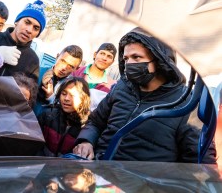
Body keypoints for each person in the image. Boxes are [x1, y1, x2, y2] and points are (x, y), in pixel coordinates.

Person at [73, 28, 217, 163]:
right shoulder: (120, 89)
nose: (129, 64)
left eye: (136, 57)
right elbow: (95, 122)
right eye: (126, 59)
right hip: (98, 175)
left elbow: (200, 162)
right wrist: (86, 141)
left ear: (161, 61)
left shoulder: (186, 103)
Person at [37, 77, 90, 157]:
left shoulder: (87, 126)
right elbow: (35, 144)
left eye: (73, 95)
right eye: (64, 94)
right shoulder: (48, 115)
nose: (66, 98)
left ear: (84, 99)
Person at [72, 43, 117, 110]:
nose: (104, 58)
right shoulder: (75, 72)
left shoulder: (111, 86)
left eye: (109, 56)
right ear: (95, 55)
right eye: (102, 53)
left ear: (112, 62)